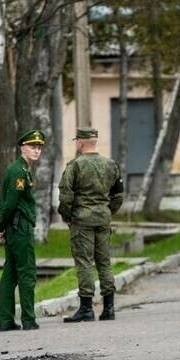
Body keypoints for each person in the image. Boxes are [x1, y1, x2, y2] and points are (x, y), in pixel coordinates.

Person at [58, 127, 125, 323]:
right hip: (103, 219)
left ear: (80, 142)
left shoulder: (75, 166)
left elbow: (65, 197)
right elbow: (118, 195)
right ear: (95, 141)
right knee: (104, 263)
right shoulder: (111, 165)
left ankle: (86, 308)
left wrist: (68, 216)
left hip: (82, 220)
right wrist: (107, 211)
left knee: (85, 263)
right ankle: (109, 307)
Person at [0, 129, 46, 331]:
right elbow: (10, 203)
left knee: (10, 274)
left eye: (39, 147)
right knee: (26, 273)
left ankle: (6, 321)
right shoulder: (18, 172)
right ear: (23, 147)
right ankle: (28, 319)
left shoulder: (22, 169)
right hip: (19, 227)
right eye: (33, 146)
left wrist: (1, 227)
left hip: (15, 226)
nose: (37, 150)